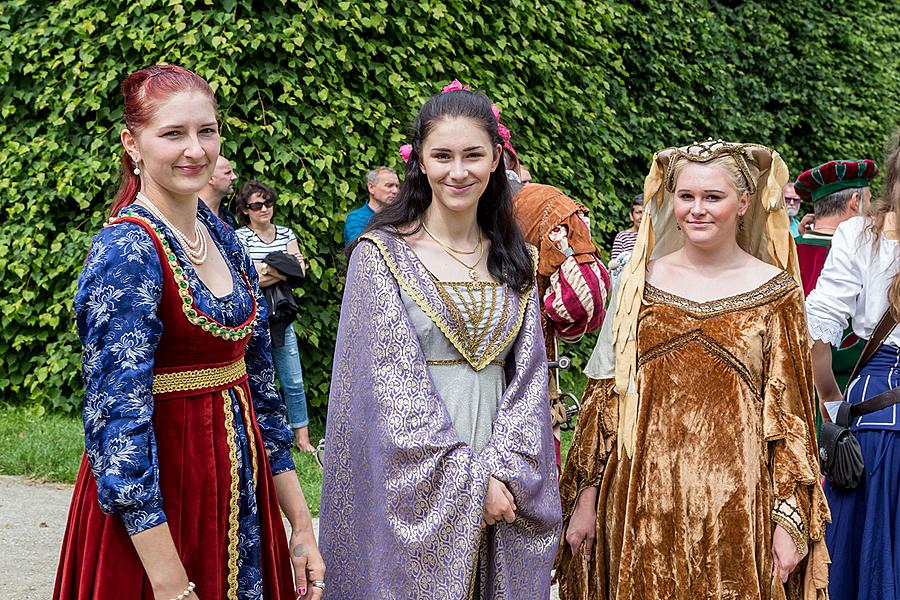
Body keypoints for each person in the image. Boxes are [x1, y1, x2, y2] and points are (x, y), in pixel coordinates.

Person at [53, 65, 324, 600]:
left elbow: (263, 394)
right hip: (159, 508)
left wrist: (301, 525)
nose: (195, 150)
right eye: (173, 133)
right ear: (132, 143)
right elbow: (116, 429)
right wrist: (168, 580)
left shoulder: (223, 239)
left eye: (207, 130)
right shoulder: (126, 252)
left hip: (239, 490)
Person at [555, 140, 830, 600]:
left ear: (743, 203)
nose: (697, 210)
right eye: (686, 196)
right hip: (640, 502)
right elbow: (606, 397)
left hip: (738, 510)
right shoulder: (637, 284)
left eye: (713, 197)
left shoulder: (776, 292)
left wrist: (789, 520)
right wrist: (586, 496)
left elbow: (791, 416)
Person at [320, 84, 562, 599]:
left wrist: (503, 471)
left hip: (504, 454)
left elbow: (530, 377)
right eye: (443, 156)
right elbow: (391, 389)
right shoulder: (381, 256)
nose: (459, 171)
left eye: (473, 154)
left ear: (497, 159)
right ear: (420, 163)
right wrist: (470, 484)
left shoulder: (512, 258)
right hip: (412, 467)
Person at [805, 141, 900, 600]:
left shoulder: (858, 234)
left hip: (874, 416)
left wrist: (832, 406)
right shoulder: (860, 235)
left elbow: (817, 332)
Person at [234, 180, 315, 453]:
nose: (263, 209)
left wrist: (265, 269)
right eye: (256, 205)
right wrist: (280, 266)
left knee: (292, 378)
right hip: (253, 317)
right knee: (255, 378)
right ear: (246, 209)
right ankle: (257, 434)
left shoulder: (286, 232)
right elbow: (246, 278)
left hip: (281, 316)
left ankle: (302, 438)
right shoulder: (239, 237)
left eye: (267, 203)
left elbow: (300, 273)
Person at [794, 160, 877, 397]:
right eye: (869, 200)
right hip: (850, 388)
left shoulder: (785, 251)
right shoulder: (864, 253)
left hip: (793, 387)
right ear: (855, 201)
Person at [341, 166, 399, 246]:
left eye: (397, 186)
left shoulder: (398, 216)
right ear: (371, 188)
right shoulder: (357, 218)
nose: (395, 191)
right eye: (389, 185)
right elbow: (360, 250)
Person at [198, 155, 239, 230]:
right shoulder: (190, 213)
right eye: (227, 173)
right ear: (210, 178)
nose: (234, 177)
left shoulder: (228, 218)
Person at [609, 194, 643, 263]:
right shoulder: (622, 237)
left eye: (646, 213)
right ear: (631, 216)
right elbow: (615, 267)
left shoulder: (655, 237)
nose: (642, 217)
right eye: (638, 212)